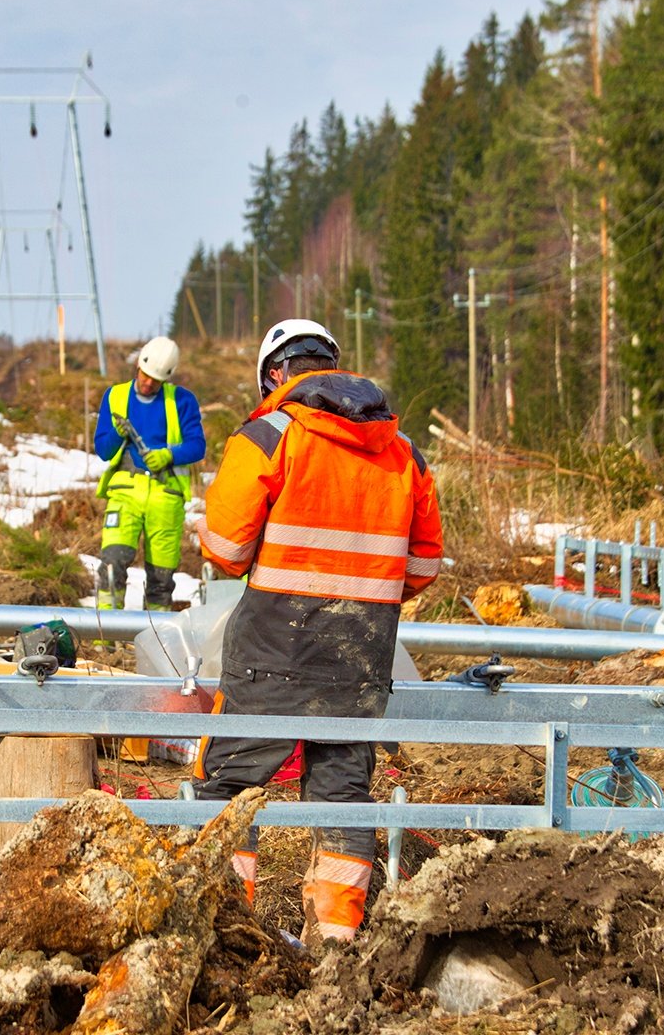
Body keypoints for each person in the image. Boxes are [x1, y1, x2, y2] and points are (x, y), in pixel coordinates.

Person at [194, 318, 443, 945]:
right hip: (359, 651)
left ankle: (225, 931)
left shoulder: (269, 435)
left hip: (271, 648)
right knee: (342, 794)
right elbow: (424, 565)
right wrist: (365, 590)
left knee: (229, 787)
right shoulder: (403, 452)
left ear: (276, 374)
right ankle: (336, 941)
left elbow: (224, 548)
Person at [92, 336, 206, 611]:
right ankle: (106, 638)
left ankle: (156, 639)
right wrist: (117, 436)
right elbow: (103, 450)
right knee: (112, 563)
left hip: (166, 496)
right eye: (145, 376)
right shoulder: (116, 396)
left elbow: (197, 445)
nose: (147, 383)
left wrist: (169, 454)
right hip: (125, 491)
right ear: (138, 366)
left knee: (161, 577)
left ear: (166, 378)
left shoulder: (181, 401)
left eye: (155, 380)